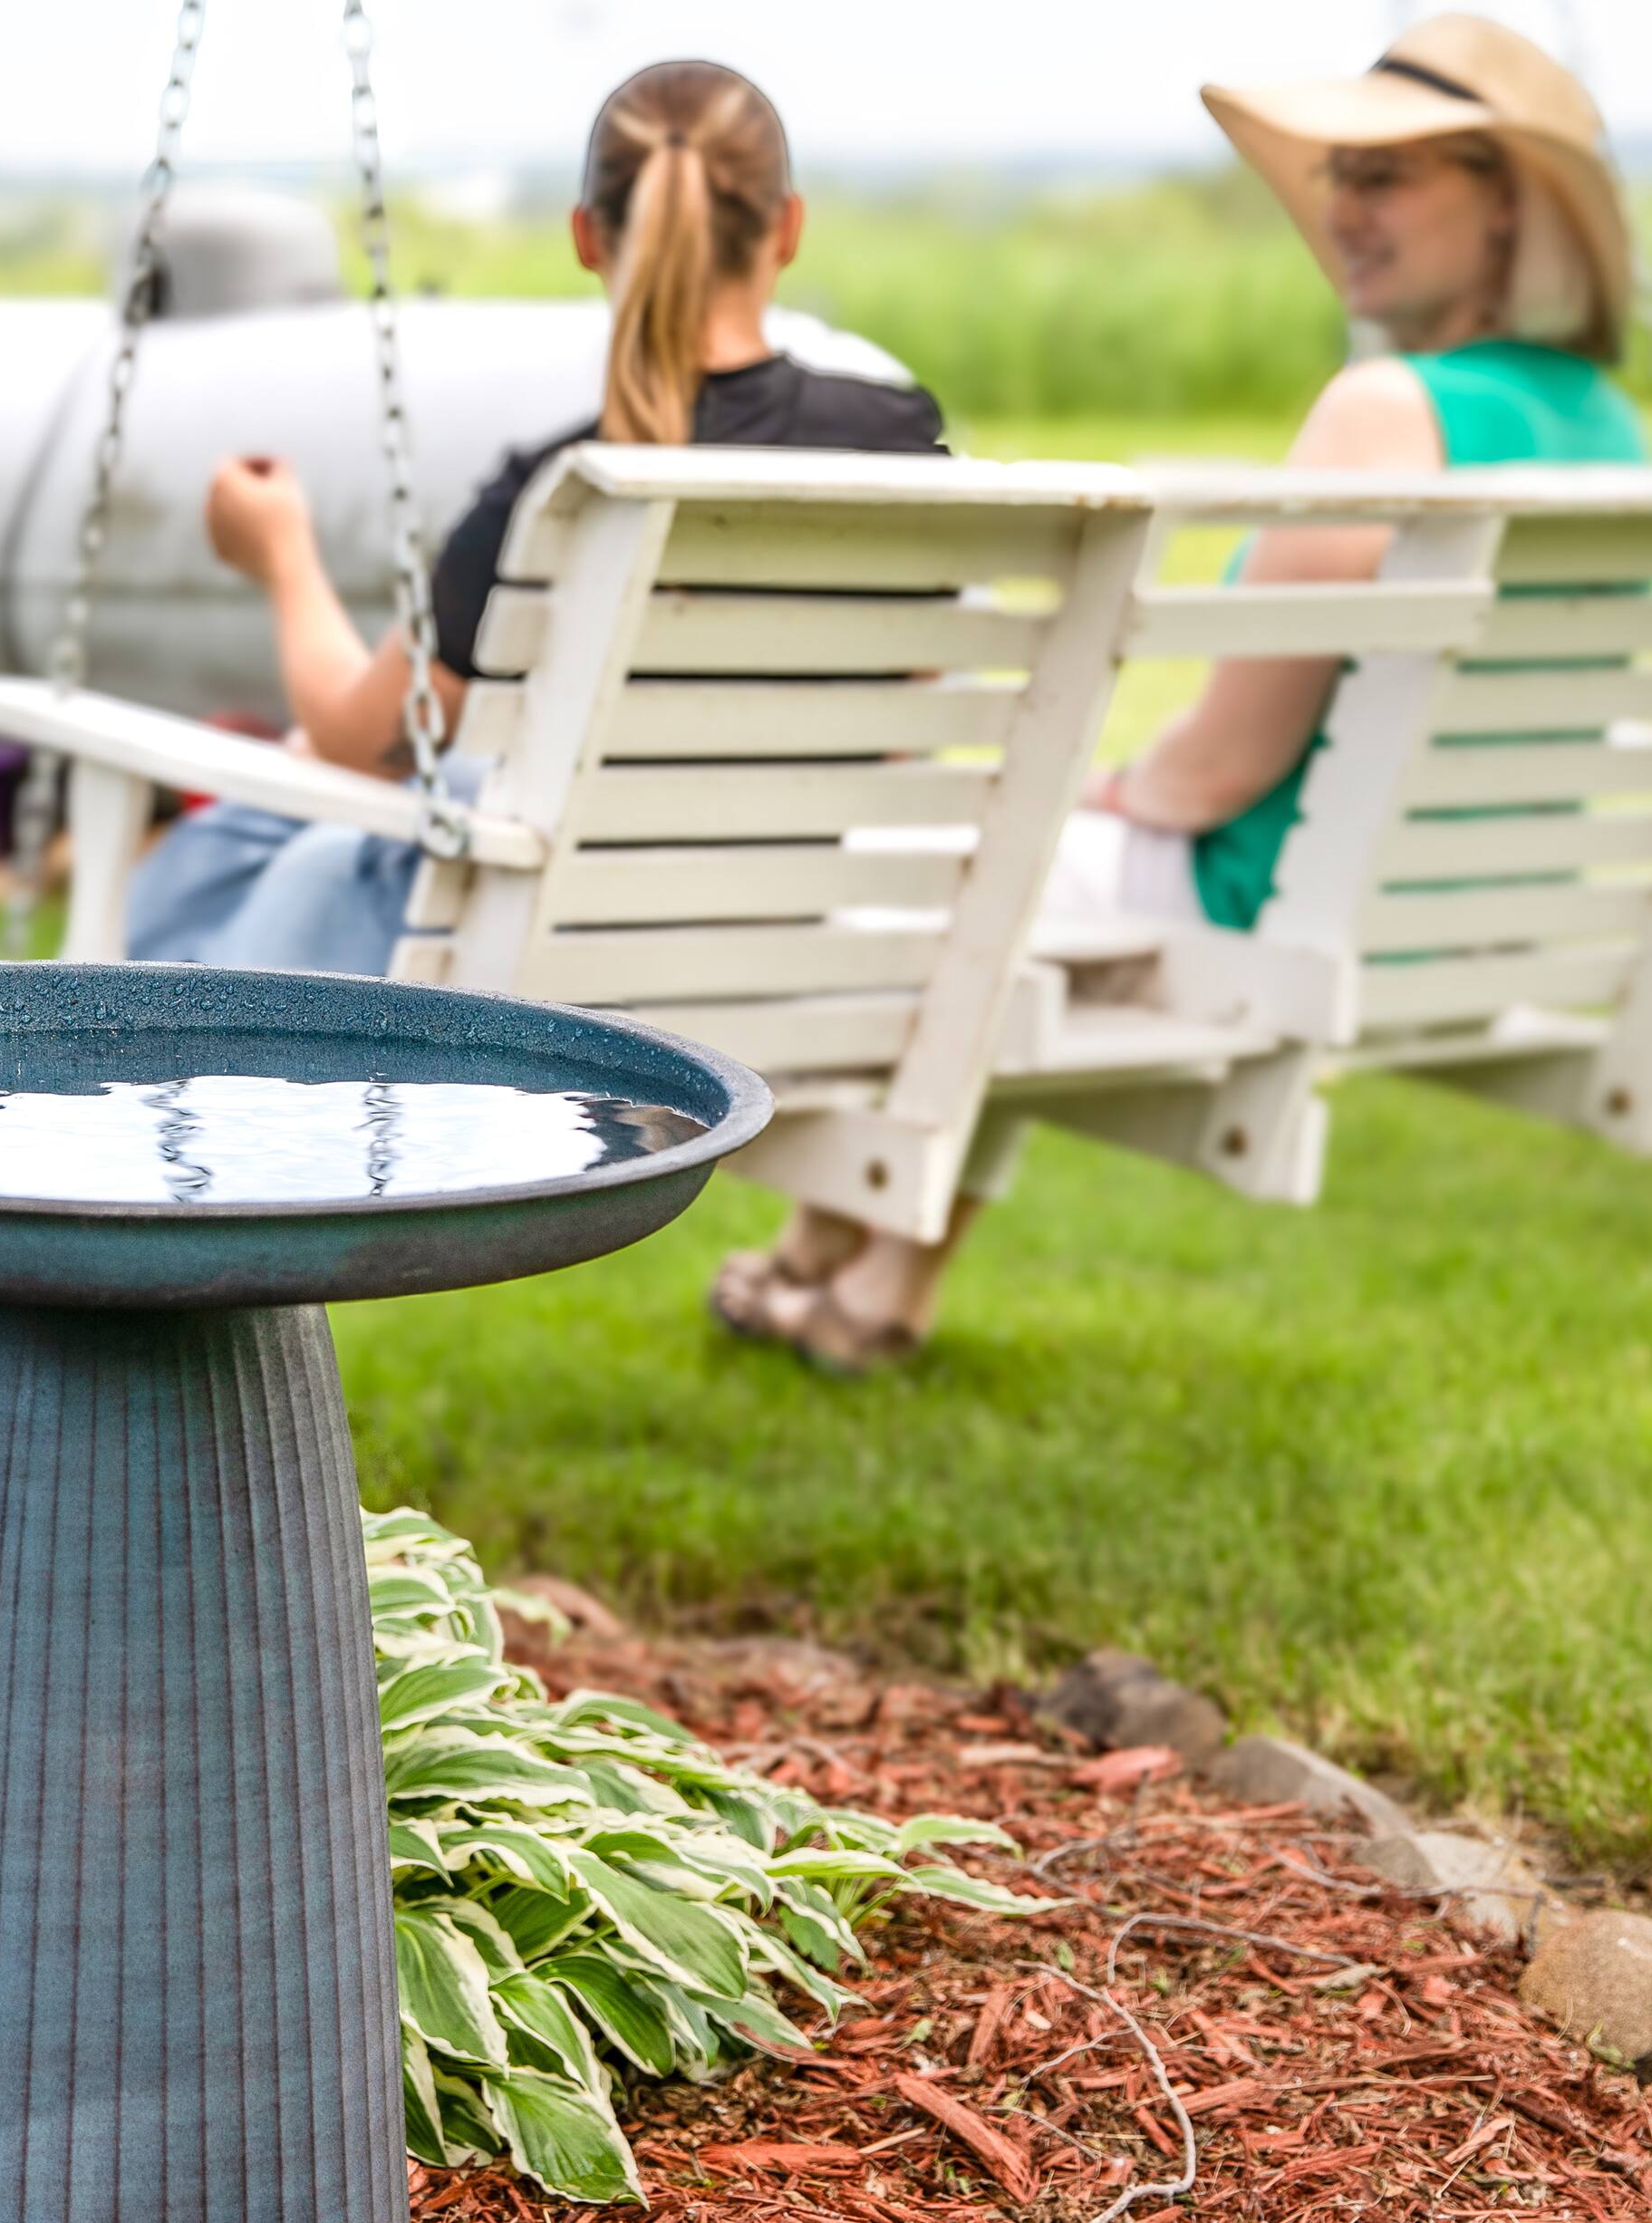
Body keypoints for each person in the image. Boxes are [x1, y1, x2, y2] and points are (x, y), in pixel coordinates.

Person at [716, 11, 1647, 1372]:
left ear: (1506, 208)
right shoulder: (1612, 430)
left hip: (1276, 912)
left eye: (1387, 175)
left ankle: (831, 1257)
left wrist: (1097, 785)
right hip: (1460, 926)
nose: (1346, 210)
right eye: (1338, 176)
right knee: (1027, 890)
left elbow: (1214, 773)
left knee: (982, 865)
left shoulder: (1390, 412)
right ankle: (867, 1284)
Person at [122, 57, 948, 975]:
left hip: (555, 976)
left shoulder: (566, 496)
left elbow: (369, 747)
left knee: (235, 844)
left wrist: (284, 559)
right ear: (787, 228)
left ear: (588, 237)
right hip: (790, 957)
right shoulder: (899, 442)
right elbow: (912, 698)